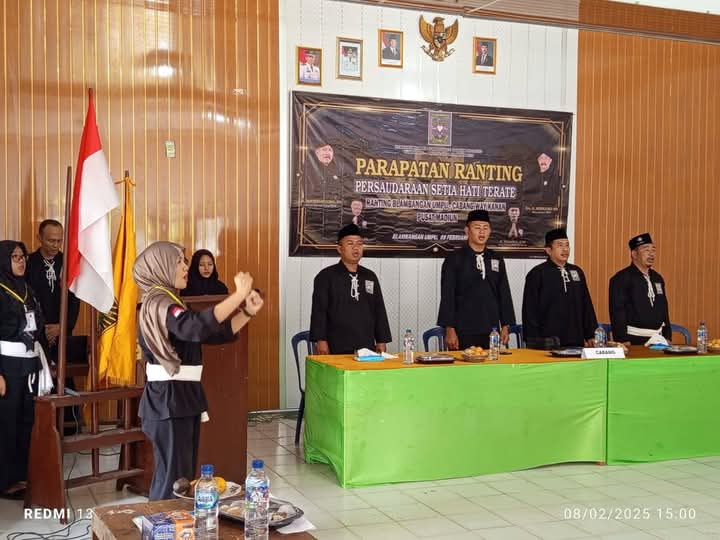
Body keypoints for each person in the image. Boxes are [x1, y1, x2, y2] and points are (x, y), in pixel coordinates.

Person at [133, 241, 264, 500]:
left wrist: (247, 312)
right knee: (173, 479)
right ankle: (162, 522)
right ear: (161, 266)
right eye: (179, 262)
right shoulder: (160, 303)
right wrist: (237, 296)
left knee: (182, 477)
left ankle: (175, 520)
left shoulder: (170, 301)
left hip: (180, 397)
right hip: (169, 400)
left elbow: (210, 333)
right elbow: (196, 327)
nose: (186, 267)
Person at [0, 241, 52, 499]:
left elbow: (37, 328)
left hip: (30, 363)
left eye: (22, 257)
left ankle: (22, 475)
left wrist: (46, 361)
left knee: (26, 422)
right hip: (7, 366)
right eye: (15, 257)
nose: (21, 261)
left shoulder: (27, 288)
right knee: (7, 424)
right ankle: (5, 481)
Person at [437, 209, 515, 349]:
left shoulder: (496, 258)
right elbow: (447, 296)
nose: (482, 232)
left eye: (485, 228)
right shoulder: (454, 259)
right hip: (462, 330)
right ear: (467, 231)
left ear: (490, 231)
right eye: (477, 227)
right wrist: (449, 328)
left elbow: (504, 293)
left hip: (491, 329)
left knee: (491, 362)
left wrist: (505, 325)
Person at [310, 224, 391, 354]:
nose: (355, 247)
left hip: (366, 345)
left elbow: (379, 309)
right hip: (335, 345)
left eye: (359, 244)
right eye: (350, 243)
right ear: (339, 248)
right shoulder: (326, 276)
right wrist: (321, 340)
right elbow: (319, 311)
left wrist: (382, 340)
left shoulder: (370, 276)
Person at [522, 228, 599, 349]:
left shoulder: (577, 272)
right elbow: (529, 311)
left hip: (576, 341)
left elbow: (586, 305)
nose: (565, 249)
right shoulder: (537, 274)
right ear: (548, 250)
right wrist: (534, 341)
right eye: (560, 245)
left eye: (567, 245)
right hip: (548, 342)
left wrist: (591, 334)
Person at [26, 219, 81, 356]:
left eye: (59, 241)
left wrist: (62, 326)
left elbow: (74, 299)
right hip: (35, 332)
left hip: (63, 332)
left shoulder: (68, 263)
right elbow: (26, 300)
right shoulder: (28, 263)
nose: (56, 245)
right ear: (39, 238)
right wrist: (41, 329)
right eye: (51, 241)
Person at [609, 233, 672, 345]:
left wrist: (668, 336)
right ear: (634, 254)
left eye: (653, 250)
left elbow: (664, 309)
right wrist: (622, 340)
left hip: (659, 339)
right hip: (633, 339)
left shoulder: (657, 278)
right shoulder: (621, 278)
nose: (651, 254)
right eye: (646, 250)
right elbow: (617, 311)